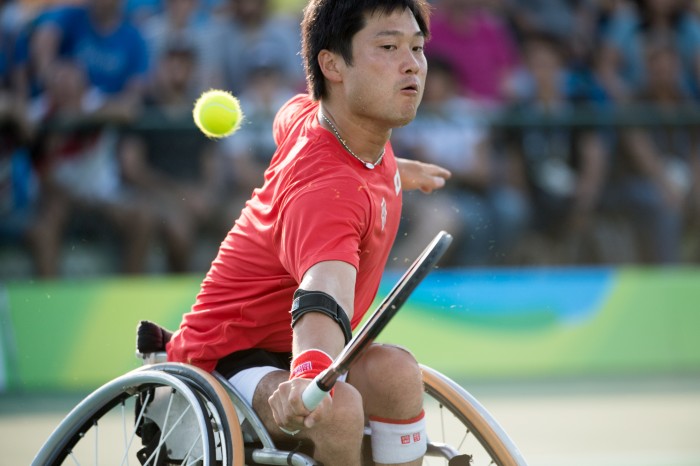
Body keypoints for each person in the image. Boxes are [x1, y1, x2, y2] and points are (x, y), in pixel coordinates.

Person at [166, 0, 451, 464]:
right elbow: (325, 287)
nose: (412, 65)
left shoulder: (320, 119)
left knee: (397, 372)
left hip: (285, 349)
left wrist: (398, 168)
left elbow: (287, 114)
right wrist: (311, 371)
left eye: (417, 48)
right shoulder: (328, 189)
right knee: (336, 409)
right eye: (388, 46)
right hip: (224, 359)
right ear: (332, 64)